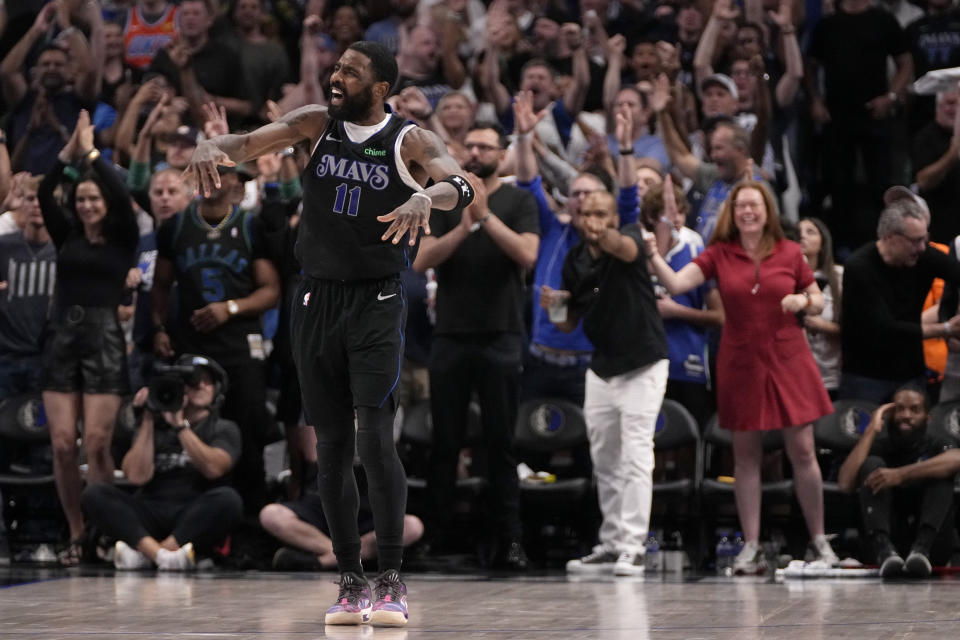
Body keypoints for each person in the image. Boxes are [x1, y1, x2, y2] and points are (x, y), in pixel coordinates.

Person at [182, 40, 475, 627]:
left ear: (381, 88)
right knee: (331, 449)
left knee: (374, 440)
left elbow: (460, 184)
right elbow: (246, 145)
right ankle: (349, 581)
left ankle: (391, 578)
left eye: (350, 72)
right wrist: (211, 144)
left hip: (377, 299)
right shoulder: (315, 123)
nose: (336, 77)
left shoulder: (409, 139)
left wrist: (425, 196)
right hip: (315, 298)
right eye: (336, 67)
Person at [645, 180, 838, 573]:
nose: (747, 211)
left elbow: (816, 296)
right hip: (740, 360)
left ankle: (820, 540)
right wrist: (652, 255)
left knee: (802, 451)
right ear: (731, 214)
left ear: (767, 210)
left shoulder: (789, 251)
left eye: (754, 205)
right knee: (744, 456)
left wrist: (803, 300)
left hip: (788, 356)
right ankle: (751, 546)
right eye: (740, 206)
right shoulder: (718, 253)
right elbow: (678, 284)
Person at [412, 120, 539, 571]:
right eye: (471, 145)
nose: (477, 152)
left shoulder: (519, 200)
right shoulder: (443, 200)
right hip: (450, 337)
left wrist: (485, 218)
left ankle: (510, 542)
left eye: (487, 146)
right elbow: (421, 258)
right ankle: (435, 540)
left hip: (501, 335)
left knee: (500, 443)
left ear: (502, 154)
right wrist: (465, 227)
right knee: (444, 443)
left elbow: (528, 256)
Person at [543, 187, 669, 576]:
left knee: (635, 454)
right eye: (587, 214)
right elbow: (567, 325)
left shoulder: (628, 237)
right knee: (604, 458)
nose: (593, 221)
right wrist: (555, 306)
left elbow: (627, 250)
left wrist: (608, 232)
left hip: (643, 363)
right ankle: (612, 543)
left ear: (614, 217)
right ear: (577, 218)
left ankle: (634, 545)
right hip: (602, 367)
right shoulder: (575, 258)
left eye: (601, 214)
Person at [38, 111, 140, 566]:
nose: (86, 205)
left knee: (97, 442)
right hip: (62, 336)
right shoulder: (67, 236)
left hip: (103, 338)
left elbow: (121, 191)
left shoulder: (123, 237)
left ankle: (106, 528)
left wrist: (93, 153)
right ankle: (77, 531)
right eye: (80, 199)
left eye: (93, 199)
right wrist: (68, 155)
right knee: (63, 442)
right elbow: (44, 192)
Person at [152, 161, 281, 515]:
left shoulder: (251, 225)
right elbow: (160, 285)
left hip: (239, 343)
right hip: (193, 344)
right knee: (196, 430)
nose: (214, 179)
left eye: (222, 173)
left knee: (248, 429)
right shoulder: (176, 226)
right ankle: (197, 516)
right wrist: (159, 327)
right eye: (207, 172)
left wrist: (231, 308)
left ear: (237, 182)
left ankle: (252, 521)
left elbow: (271, 290)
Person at [81, 355, 243, 571]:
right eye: (194, 380)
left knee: (228, 500)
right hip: (151, 508)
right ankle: (163, 556)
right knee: (95, 494)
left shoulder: (223, 428)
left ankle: (150, 554)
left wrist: (180, 426)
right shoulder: (155, 426)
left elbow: (214, 468)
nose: (202, 385)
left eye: (208, 381)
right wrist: (147, 418)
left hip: (192, 510)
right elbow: (137, 476)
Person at [840, 187, 960, 403]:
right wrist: (947, 328)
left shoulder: (923, 255)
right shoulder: (859, 267)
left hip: (911, 372)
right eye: (915, 240)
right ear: (890, 237)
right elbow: (885, 328)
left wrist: (951, 314)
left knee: (913, 436)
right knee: (865, 433)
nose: (922, 247)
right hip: (867, 375)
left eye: (925, 238)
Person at [261, 425, 424, 571]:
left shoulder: (382, 407)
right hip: (325, 500)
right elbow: (313, 455)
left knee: (412, 526)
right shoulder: (321, 402)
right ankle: (347, 558)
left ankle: (322, 562)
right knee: (271, 515)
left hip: (369, 505)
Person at [837, 386, 957, 577]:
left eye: (914, 410)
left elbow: (956, 459)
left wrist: (900, 475)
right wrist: (871, 430)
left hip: (930, 546)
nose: (906, 415)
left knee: (942, 474)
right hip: (887, 546)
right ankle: (884, 550)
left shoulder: (935, 443)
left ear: (928, 417)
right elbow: (844, 483)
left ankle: (921, 550)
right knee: (871, 464)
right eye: (899, 409)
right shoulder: (882, 444)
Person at [0, 174, 55, 401]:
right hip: (6, 358)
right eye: (30, 198)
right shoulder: (3, 246)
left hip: (49, 359)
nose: (36, 205)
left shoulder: (66, 249)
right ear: (20, 202)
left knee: (45, 432)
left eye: (42, 199)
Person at [798, 218, 843, 397]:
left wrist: (823, 326)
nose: (802, 236)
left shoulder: (839, 277)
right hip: (795, 378)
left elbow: (858, 328)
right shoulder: (782, 278)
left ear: (823, 243)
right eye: (798, 232)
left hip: (831, 376)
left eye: (810, 232)